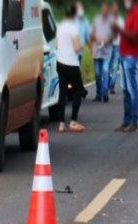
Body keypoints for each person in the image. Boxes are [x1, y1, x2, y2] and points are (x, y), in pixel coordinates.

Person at [112, 0, 138, 132]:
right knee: (125, 89)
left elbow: (134, 35)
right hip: (124, 54)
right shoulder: (130, 13)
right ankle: (126, 121)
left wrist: (120, 29)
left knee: (132, 89)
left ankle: (133, 121)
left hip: (131, 55)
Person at [57, 4, 86, 133]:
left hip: (60, 62)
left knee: (62, 93)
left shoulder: (60, 27)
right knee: (78, 91)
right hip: (72, 64)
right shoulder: (73, 28)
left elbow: (57, 44)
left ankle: (61, 123)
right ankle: (73, 120)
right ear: (74, 15)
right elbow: (77, 47)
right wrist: (81, 45)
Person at [91, 2, 114, 102]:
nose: (104, 11)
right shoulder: (96, 20)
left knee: (105, 71)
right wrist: (96, 38)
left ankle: (105, 93)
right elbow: (91, 34)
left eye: (106, 9)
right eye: (103, 9)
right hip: (97, 51)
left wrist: (106, 40)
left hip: (106, 51)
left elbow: (113, 37)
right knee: (97, 73)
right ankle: (98, 94)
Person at [109, 3, 125, 93]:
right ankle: (109, 83)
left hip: (118, 46)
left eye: (116, 9)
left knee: (114, 66)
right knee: (108, 66)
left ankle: (112, 85)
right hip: (109, 46)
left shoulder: (120, 21)